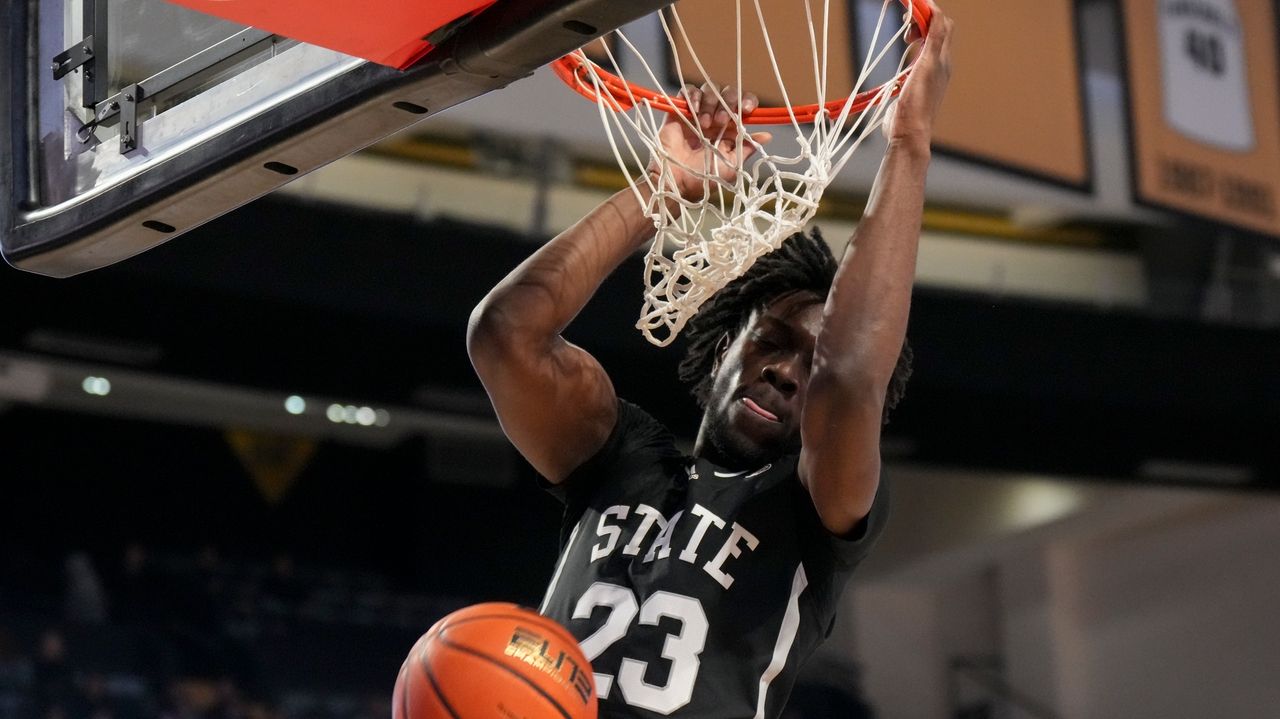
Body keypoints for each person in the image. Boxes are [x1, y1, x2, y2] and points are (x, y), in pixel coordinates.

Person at [467, 4, 953, 717]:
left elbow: (850, 379)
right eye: (774, 340)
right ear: (727, 343)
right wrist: (663, 187)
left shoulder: (813, 511)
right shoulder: (618, 457)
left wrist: (909, 145)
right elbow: (506, 333)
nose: (790, 372)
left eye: (810, 370)